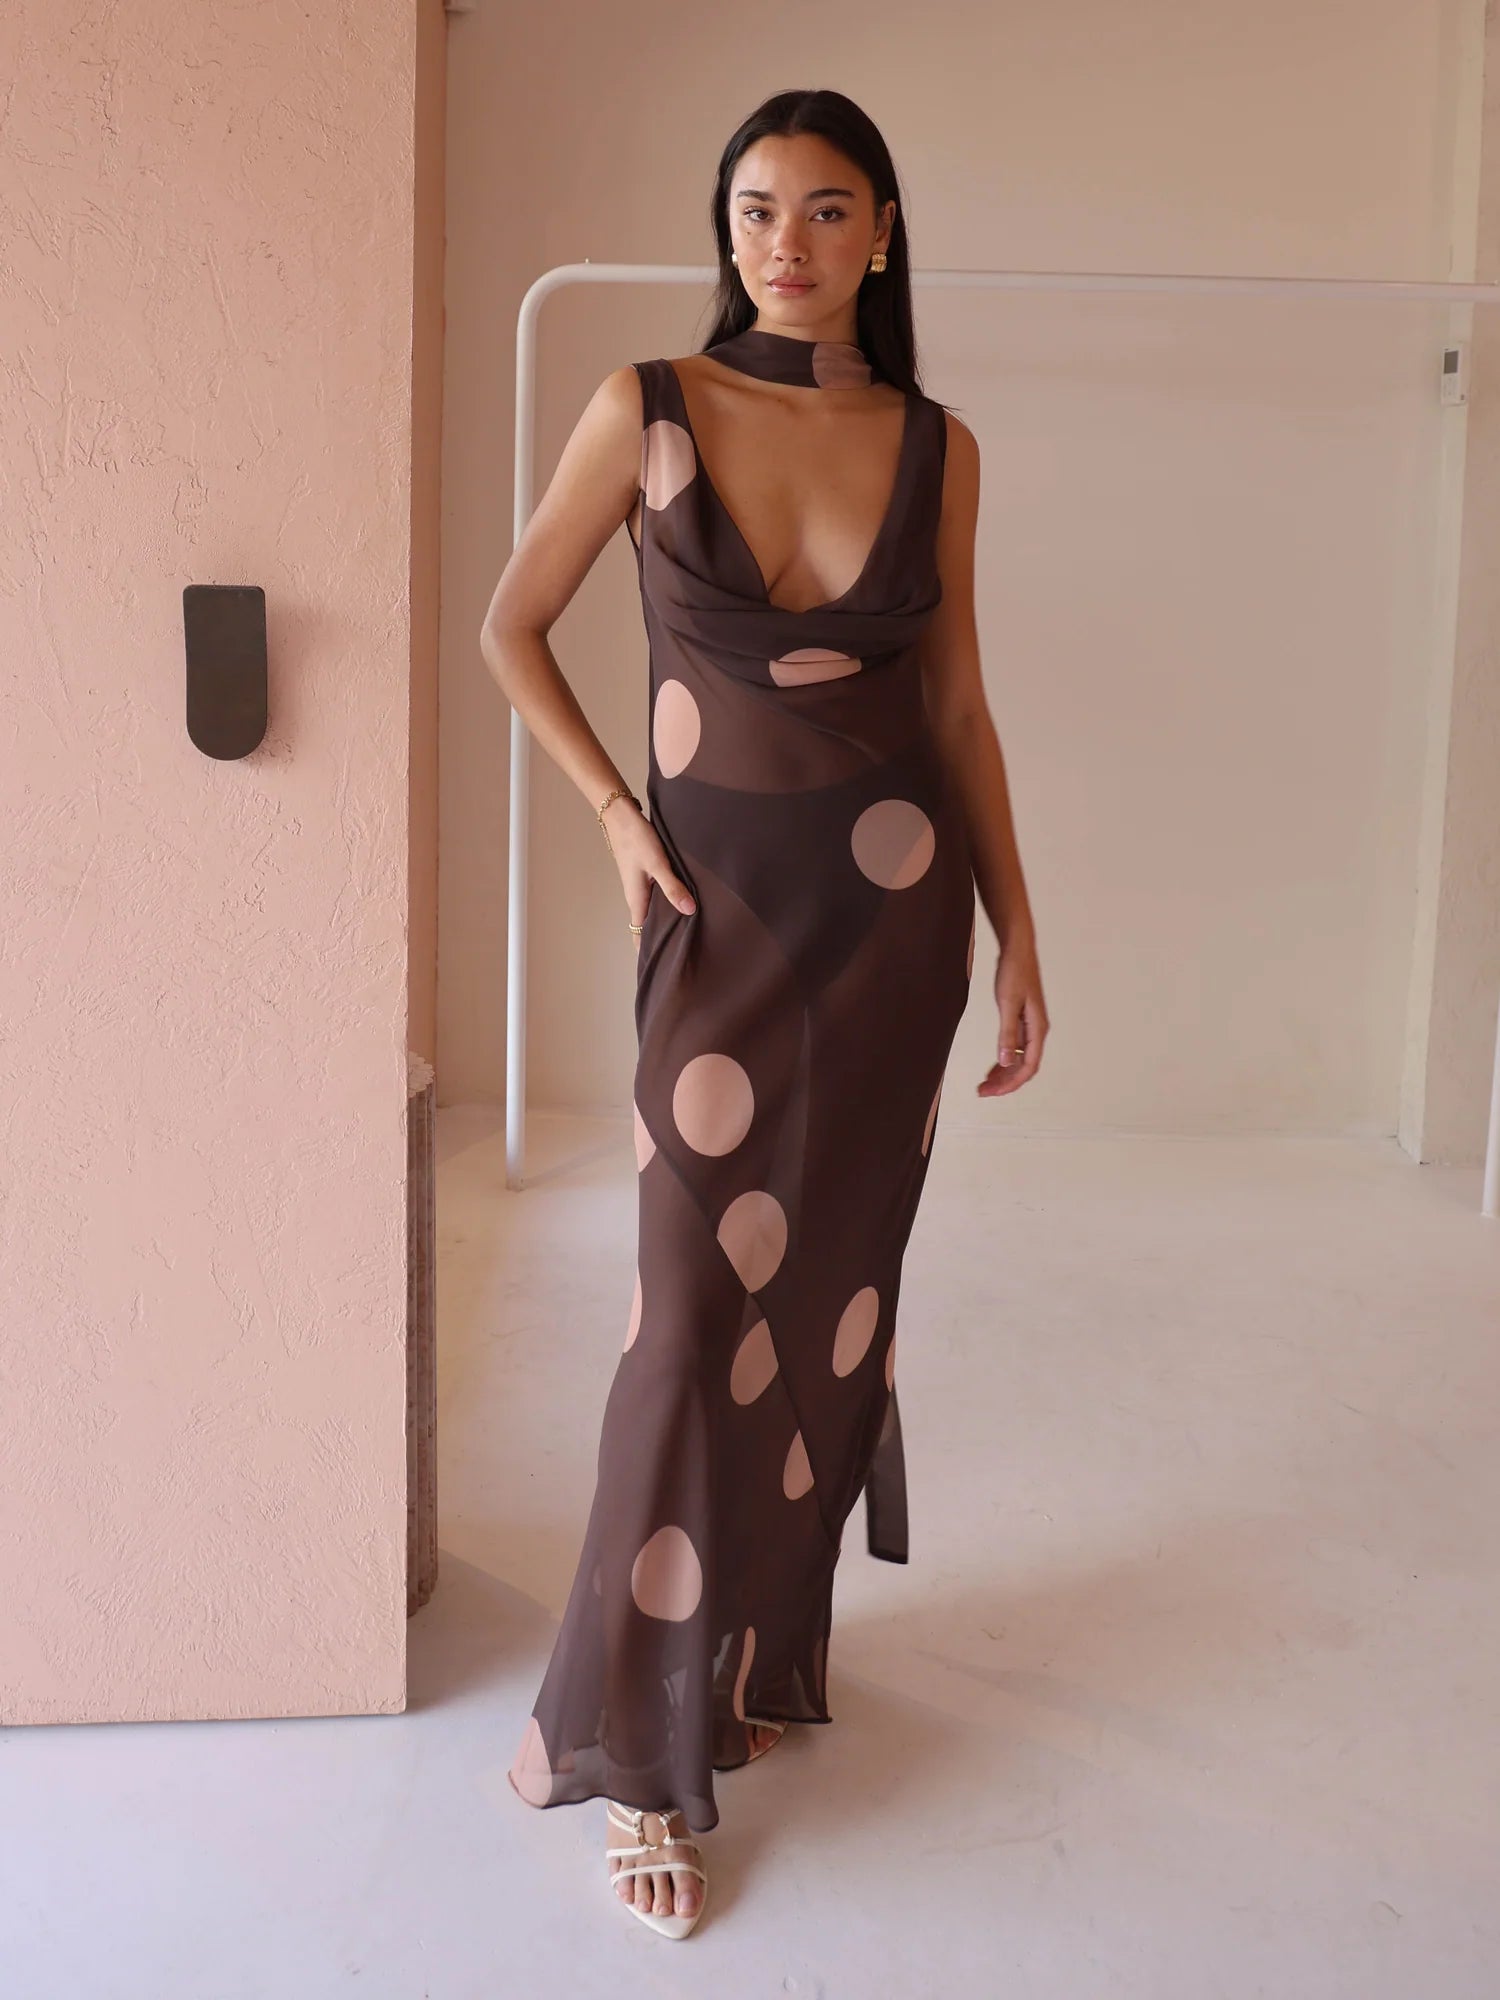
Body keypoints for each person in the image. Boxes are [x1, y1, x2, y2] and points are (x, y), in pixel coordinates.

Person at [479, 86, 1048, 1939]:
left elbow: (955, 709)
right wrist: (615, 812)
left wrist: (1021, 932)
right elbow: (510, 624)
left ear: (883, 230)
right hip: (715, 925)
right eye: (751, 208)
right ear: (722, 229)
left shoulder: (938, 445)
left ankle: (743, 1656)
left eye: (822, 208)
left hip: (897, 931)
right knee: (685, 1317)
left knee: (829, 1303)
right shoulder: (648, 404)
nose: (783, 243)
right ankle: (638, 1755)